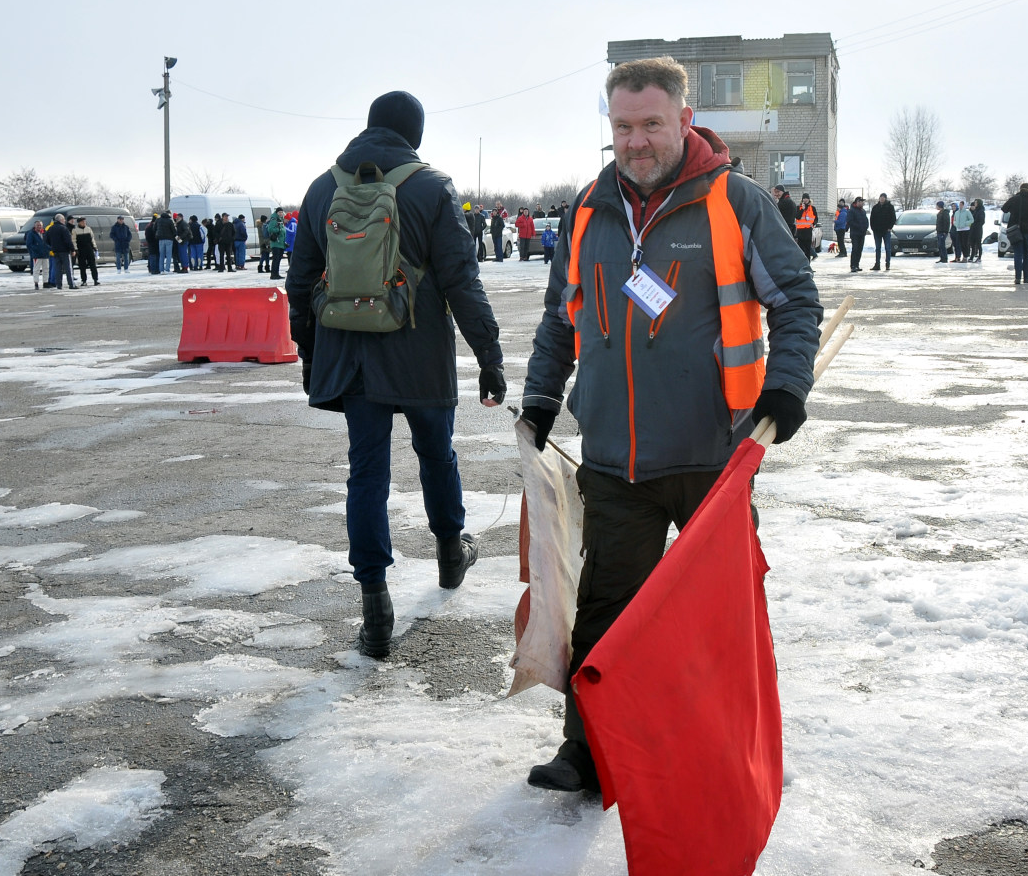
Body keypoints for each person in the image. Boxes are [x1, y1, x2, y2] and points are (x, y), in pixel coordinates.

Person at [520, 56, 822, 794]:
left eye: (651, 123)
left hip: (713, 455)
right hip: (616, 458)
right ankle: (588, 751)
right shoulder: (588, 210)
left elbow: (796, 302)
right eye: (622, 126)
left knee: (723, 617)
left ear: (683, 120)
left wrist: (784, 389)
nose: (636, 141)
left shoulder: (736, 203)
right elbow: (562, 323)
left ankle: (724, 752)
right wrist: (539, 398)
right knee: (606, 612)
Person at [286, 90, 506, 661]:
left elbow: (301, 280)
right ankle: (450, 555)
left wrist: (310, 354)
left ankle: (375, 608)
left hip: (351, 356)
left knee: (367, 475)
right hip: (420, 353)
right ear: (416, 134)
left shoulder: (321, 188)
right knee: (437, 454)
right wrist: (489, 356)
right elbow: (462, 280)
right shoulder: (432, 188)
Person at [1002, 183, 1028, 284]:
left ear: (1020, 189)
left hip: (1016, 230)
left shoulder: (1015, 199)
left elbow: (1004, 208)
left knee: (1018, 254)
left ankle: (1017, 278)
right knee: (1027, 254)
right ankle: (1027, 278)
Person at [46, 214, 76, 289]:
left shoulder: (51, 229)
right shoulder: (63, 228)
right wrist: (72, 249)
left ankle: (59, 285)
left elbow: (46, 240)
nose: (65, 221)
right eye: (63, 219)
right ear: (61, 220)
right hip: (64, 251)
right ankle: (71, 284)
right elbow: (68, 240)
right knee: (68, 269)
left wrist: (52, 247)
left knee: (58, 269)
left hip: (55, 251)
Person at [869, 193, 896, 271]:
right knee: (878, 248)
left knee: (887, 248)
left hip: (886, 231)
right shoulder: (875, 207)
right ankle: (877, 264)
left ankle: (887, 264)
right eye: (881, 197)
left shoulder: (890, 207)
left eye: (883, 197)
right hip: (877, 231)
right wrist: (873, 228)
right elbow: (872, 219)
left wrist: (890, 227)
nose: (882, 199)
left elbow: (893, 218)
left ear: (886, 198)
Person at [72, 217, 100, 286]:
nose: (84, 223)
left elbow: (92, 239)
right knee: (82, 266)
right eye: (82, 222)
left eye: (84, 222)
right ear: (79, 223)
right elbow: (73, 240)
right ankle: (84, 280)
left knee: (93, 265)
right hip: (81, 250)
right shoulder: (75, 230)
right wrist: (75, 249)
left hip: (89, 249)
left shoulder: (88, 229)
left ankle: (95, 279)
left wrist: (95, 247)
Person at [846, 195, 869, 272]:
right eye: (861, 202)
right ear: (857, 202)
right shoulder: (852, 211)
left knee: (860, 249)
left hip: (862, 233)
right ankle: (853, 265)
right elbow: (850, 221)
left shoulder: (863, 211)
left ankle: (857, 264)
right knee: (855, 249)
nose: (862, 203)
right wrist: (859, 227)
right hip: (855, 233)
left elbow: (866, 221)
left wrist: (865, 227)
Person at [794, 193, 818, 261]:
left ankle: (808, 265)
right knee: (801, 249)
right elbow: (797, 217)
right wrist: (802, 209)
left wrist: (813, 224)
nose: (805, 200)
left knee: (808, 249)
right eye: (804, 198)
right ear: (802, 199)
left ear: (809, 199)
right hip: (800, 231)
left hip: (808, 230)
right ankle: (802, 265)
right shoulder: (798, 207)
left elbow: (816, 218)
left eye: (806, 198)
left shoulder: (812, 208)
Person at [266, 207, 287, 279]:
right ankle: (274, 274)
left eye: (281, 212)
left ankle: (276, 273)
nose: (281, 213)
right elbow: (270, 229)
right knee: (276, 259)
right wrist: (279, 229)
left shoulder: (280, 220)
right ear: (277, 213)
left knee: (278, 259)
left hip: (280, 243)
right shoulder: (274, 220)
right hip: (276, 243)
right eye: (279, 212)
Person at [25, 220, 47, 289]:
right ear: (35, 226)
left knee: (46, 269)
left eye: (40, 225)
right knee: (36, 269)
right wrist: (36, 249)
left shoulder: (44, 233)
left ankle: (45, 282)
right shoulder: (31, 233)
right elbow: (29, 244)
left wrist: (49, 248)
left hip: (45, 254)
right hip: (36, 255)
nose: (39, 227)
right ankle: (36, 283)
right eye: (38, 225)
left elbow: (48, 242)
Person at [155, 211, 176, 275]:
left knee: (161, 255)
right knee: (168, 255)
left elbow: (154, 228)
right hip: (169, 239)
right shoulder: (170, 220)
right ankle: (167, 269)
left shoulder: (158, 220)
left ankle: (161, 269)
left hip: (160, 239)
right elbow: (173, 230)